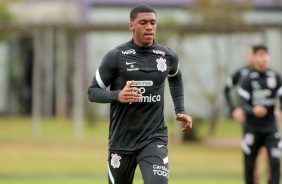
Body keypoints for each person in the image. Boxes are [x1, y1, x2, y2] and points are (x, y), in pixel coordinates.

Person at [87, 4, 192, 184]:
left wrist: (179, 109)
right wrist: (117, 95)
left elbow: (175, 77)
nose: (149, 27)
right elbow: (93, 91)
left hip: (154, 137)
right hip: (122, 141)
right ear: (132, 26)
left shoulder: (167, 56)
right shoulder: (115, 56)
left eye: (153, 22)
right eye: (143, 22)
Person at [223, 46, 270, 184]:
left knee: (270, 156)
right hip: (250, 122)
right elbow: (226, 90)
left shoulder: (269, 75)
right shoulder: (242, 73)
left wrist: (277, 110)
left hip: (268, 123)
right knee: (252, 158)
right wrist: (234, 109)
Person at [237, 45, 282, 184]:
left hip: (270, 128)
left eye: (266, 55)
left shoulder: (275, 77)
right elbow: (243, 104)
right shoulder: (247, 79)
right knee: (250, 165)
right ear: (254, 57)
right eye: (261, 55)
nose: (264, 58)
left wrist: (279, 110)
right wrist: (253, 110)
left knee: (274, 161)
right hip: (252, 128)